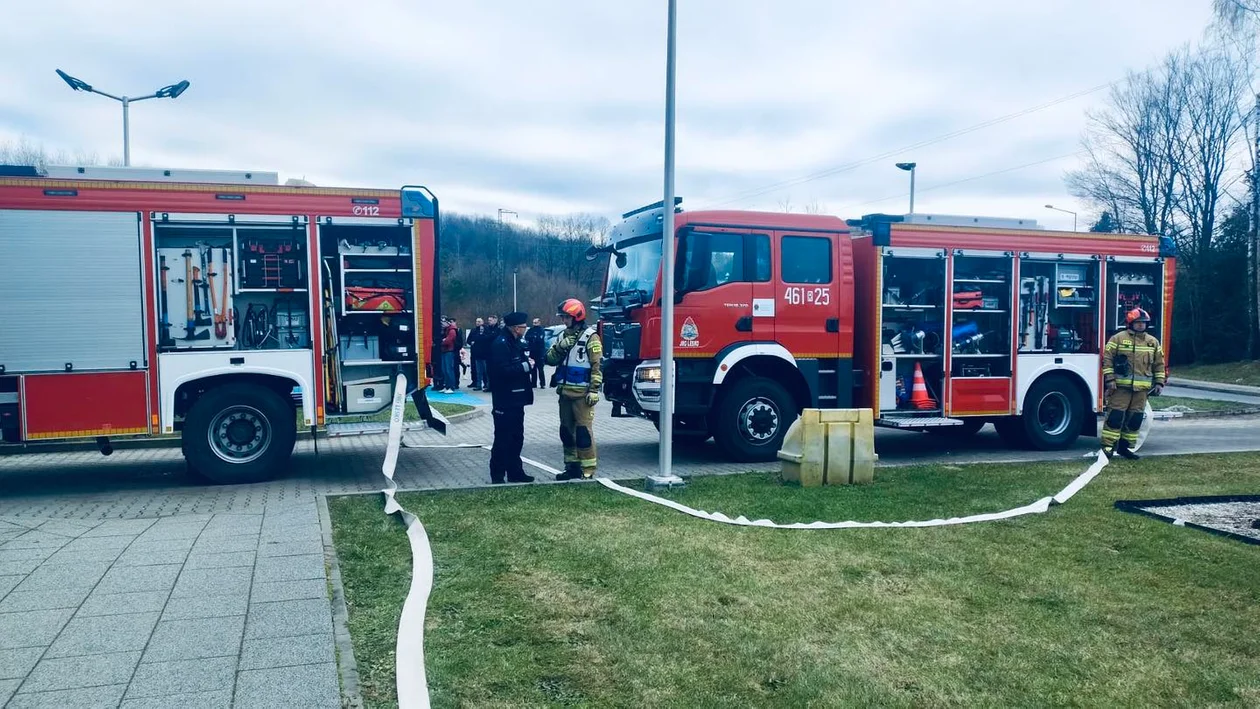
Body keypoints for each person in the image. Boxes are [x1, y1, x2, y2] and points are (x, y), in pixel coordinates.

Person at [546, 298, 602, 480]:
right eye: (562, 317)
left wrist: (594, 389)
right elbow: (550, 359)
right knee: (566, 432)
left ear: (577, 317)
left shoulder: (591, 337)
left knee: (583, 432)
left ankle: (588, 470)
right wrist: (559, 348)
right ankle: (571, 467)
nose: (564, 321)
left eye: (566, 317)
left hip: (582, 395)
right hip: (564, 393)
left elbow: (597, 365)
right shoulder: (562, 336)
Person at [1101, 307, 1166, 459]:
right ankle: (1108, 447)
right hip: (1120, 387)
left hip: (1141, 391)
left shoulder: (1152, 342)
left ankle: (1125, 447)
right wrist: (1109, 379)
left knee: (1135, 419)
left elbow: (1159, 364)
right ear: (1130, 323)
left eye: (1143, 323)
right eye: (1138, 323)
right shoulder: (1118, 338)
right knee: (1115, 417)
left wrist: (1159, 383)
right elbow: (1107, 359)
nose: (1141, 325)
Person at [487, 311, 536, 484]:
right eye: (523, 327)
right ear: (516, 328)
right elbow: (501, 371)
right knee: (503, 439)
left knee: (516, 438)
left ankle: (515, 472)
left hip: (517, 400)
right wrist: (525, 366)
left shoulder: (515, 342)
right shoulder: (501, 344)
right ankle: (498, 475)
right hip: (505, 400)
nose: (525, 329)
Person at [525, 317, 547, 388]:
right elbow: (527, 337)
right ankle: (533, 383)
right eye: (534, 323)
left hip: (540, 352)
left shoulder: (541, 330)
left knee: (540, 369)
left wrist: (533, 338)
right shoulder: (531, 330)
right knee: (533, 369)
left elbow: (539, 338)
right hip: (532, 352)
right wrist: (533, 338)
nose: (535, 324)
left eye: (536, 322)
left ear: (539, 322)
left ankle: (542, 384)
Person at [469, 317, 489, 390]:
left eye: (479, 321)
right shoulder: (473, 330)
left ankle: (486, 384)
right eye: (477, 321)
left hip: (484, 354)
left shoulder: (486, 330)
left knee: (485, 371)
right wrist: (471, 342)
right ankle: (478, 384)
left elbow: (485, 339)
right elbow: (469, 340)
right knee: (478, 371)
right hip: (476, 353)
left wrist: (478, 339)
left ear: (482, 322)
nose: (478, 323)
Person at [439, 317, 458, 394]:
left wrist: (443, 341)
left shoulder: (452, 330)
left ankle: (451, 387)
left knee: (449, 370)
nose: (442, 324)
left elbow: (449, 341)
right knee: (444, 370)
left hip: (449, 351)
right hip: (444, 351)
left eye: (443, 323)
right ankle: (447, 386)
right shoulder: (446, 330)